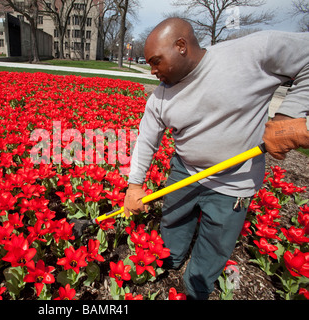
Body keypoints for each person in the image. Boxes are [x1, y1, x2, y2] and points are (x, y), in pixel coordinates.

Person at [123, 17, 309, 300]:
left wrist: (288, 117)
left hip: (235, 182)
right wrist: (134, 185)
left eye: (156, 61)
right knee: (173, 222)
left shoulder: (253, 53)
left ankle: (197, 288)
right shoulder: (160, 98)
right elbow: (147, 139)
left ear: (181, 46)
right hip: (184, 172)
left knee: (215, 242)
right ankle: (168, 261)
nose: (152, 71)